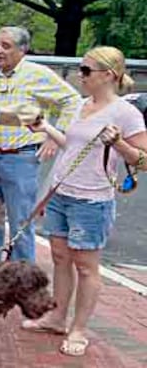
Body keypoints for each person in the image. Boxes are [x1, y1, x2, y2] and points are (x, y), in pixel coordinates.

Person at [21, 46, 147, 357]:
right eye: (81, 68)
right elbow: (72, 147)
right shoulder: (80, 105)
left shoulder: (125, 112)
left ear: (109, 75)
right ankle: (57, 317)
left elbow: (143, 160)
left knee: (86, 266)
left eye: (87, 71)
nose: (81, 75)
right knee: (61, 258)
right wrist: (45, 128)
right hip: (62, 193)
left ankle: (79, 328)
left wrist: (118, 143)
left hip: (92, 201)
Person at [0, 26, 80, 262]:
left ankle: (20, 275)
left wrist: (55, 134)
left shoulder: (37, 74)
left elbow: (72, 100)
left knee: (21, 219)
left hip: (21, 158)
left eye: (6, 46)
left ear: (22, 50)